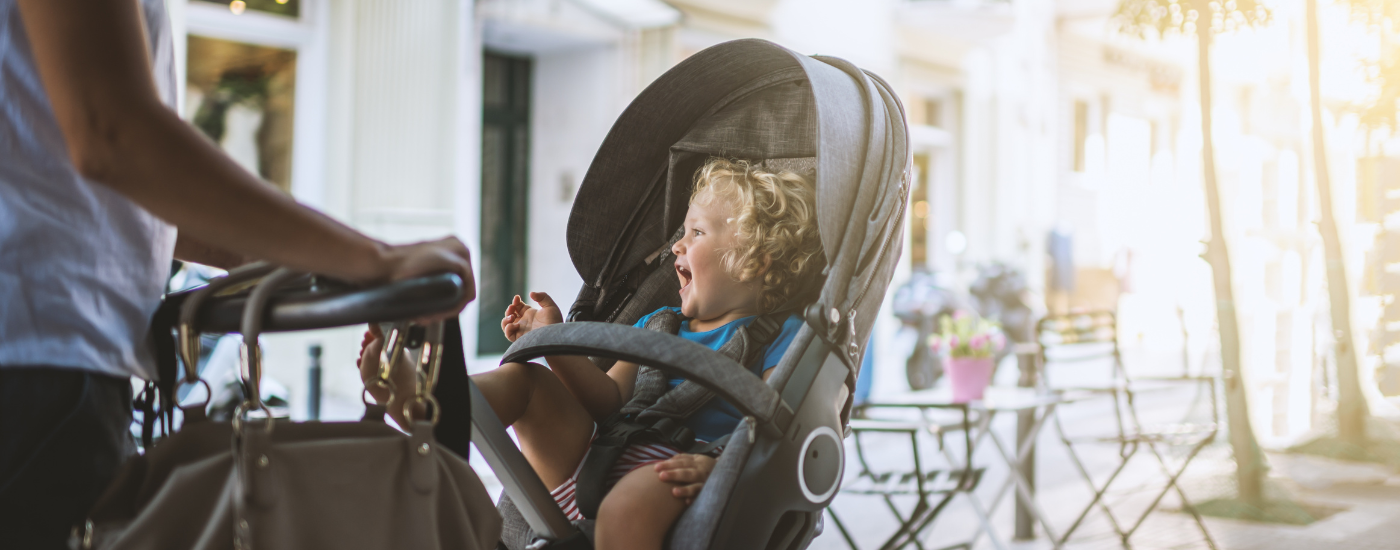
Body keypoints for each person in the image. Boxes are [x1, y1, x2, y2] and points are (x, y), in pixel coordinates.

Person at [0, 1, 475, 548]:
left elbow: (127, 193)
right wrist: (373, 259)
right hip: (38, 371)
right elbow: (113, 134)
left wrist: (305, 258)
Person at [360, 158, 823, 550]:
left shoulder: (780, 335)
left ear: (755, 259)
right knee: (525, 382)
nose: (677, 246)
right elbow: (606, 400)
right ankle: (425, 401)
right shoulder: (659, 324)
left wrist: (723, 469)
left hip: (678, 470)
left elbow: (774, 427)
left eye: (697, 232)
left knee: (632, 500)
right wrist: (556, 339)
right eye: (681, 232)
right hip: (594, 456)